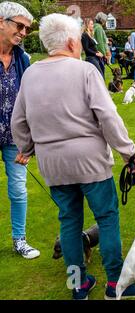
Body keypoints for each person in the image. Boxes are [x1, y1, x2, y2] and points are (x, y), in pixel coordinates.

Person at [11, 13, 135, 300]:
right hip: (90, 162)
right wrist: (129, 151)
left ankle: (78, 285)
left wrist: (27, 149)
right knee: (108, 218)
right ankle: (116, 283)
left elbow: (19, 122)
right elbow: (108, 117)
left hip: (54, 164)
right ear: (73, 41)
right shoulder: (86, 71)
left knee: (70, 221)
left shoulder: (30, 74)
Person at [0, 1, 40, 260]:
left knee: (18, 190)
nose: (24, 32)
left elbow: (32, 102)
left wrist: (30, 142)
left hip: (15, 139)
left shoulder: (23, 59)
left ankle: (20, 240)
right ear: (1, 23)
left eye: (27, 28)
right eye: (19, 25)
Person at [93, 12, 109, 77]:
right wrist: (104, 55)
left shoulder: (94, 26)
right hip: (99, 55)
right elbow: (100, 43)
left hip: (95, 53)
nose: (105, 22)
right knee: (101, 75)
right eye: (105, 20)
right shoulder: (99, 28)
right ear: (102, 20)